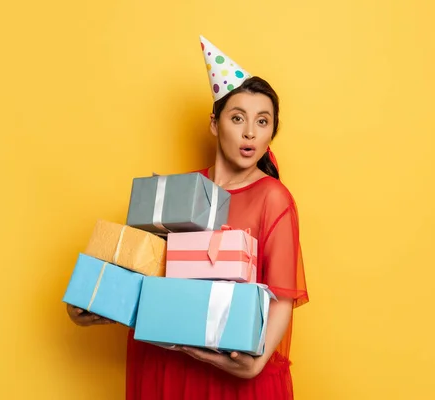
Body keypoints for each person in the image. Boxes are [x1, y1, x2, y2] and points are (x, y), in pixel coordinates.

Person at [67, 35, 309, 399]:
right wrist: (91, 299)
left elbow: (282, 295)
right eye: (238, 117)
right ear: (215, 123)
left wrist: (255, 364)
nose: (249, 132)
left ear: (272, 131)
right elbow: (151, 268)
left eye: (262, 121)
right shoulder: (184, 192)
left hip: (231, 368)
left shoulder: (274, 197)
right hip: (172, 364)